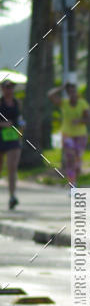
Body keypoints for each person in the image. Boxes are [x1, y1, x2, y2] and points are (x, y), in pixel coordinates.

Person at [48, 80, 90, 187]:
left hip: (80, 135)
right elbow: (50, 95)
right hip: (67, 135)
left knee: (77, 163)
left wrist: (79, 121)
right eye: (70, 91)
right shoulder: (64, 103)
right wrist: (62, 87)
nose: (72, 93)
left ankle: (75, 179)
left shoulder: (82, 103)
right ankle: (72, 184)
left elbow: (88, 119)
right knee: (70, 160)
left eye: (73, 91)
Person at [0, 78, 23, 209]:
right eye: (7, 87)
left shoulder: (17, 103)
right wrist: (3, 124)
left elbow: (20, 119)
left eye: (12, 87)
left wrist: (21, 127)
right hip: (0, 137)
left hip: (13, 138)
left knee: (12, 168)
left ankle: (12, 196)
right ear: (2, 88)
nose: (10, 90)